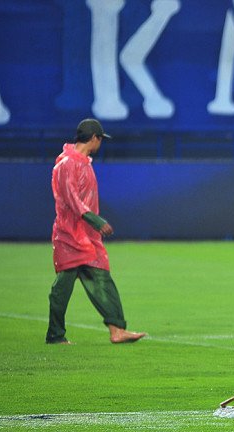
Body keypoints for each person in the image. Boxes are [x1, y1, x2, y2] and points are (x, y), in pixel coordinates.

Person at [46, 118, 146, 345]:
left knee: (103, 280)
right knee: (62, 288)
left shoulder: (82, 162)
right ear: (94, 138)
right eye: (100, 138)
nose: (101, 143)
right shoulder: (66, 164)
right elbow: (70, 198)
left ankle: (117, 330)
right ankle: (55, 335)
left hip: (88, 238)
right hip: (69, 236)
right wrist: (95, 220)